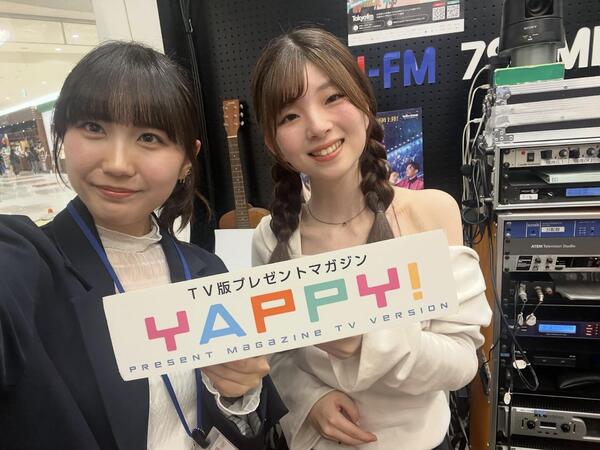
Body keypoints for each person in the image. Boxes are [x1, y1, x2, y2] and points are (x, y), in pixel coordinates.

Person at [0, 41, 285, 450]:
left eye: (149, 137)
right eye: (94, 128)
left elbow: (255, 428)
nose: (118, 163)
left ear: (187, 159)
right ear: (61, 133)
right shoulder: (28, 263)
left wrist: (239, 393)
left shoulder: (207, 271)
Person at [251, 28, 491, 450]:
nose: (318, 126)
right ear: (273, 142)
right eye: (290, 116)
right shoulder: (271, 238)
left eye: (333, 97)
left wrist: (369, 342)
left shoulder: (431, 213)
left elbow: (461, 362)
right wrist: (310, 399)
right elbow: (279, 355)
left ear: (364, 104)